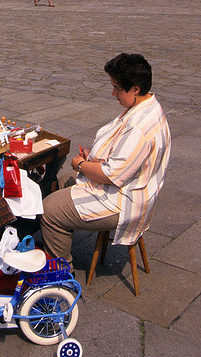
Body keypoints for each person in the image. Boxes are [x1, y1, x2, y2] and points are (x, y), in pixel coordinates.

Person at [40, 53, 171, 269]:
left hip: (124, 201)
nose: (113, 93)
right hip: (129, 186)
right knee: (62, 182)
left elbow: (112, 175)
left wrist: (81, 165)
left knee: (50, 210)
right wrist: (94, 156)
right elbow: (125, 157)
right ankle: (56, 241)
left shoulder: (139, 126)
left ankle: (61, 273)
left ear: (135, 89)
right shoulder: (148, 107)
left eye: (117, 88)